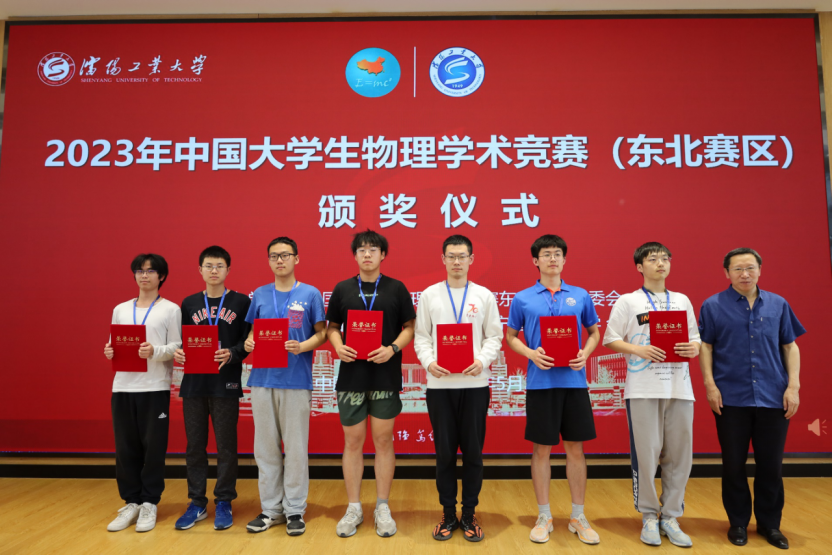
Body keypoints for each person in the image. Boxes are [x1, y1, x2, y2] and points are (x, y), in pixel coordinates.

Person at [699, 248, 804, 550]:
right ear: (727, 273)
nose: (744, 274)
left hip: (773, 396)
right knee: (733, 464)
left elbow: (790, 346)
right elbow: (706, 347)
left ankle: (770, 525)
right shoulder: (712, 305)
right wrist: (710, 385)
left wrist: (793, 386)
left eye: (750, 268)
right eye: (737, 269)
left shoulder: (778, 304)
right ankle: (738, 523)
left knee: (771, 465)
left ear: (760, 270)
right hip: (730, 398)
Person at [602, 242, 701, 547]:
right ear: (639, 267)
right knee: (646, 456)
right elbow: (610, 338)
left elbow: (696, 339)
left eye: (665, 258)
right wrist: (638, 349)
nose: (660, 263)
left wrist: (693, 348)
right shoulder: (628, 301)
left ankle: (670, 516)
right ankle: (648, 515)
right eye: (653, 259)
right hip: (643, 388)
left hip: (679, 388)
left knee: (679, 456)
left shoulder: (682, 300)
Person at [505, 234, 601, 546]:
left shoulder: (580, 295)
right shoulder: (522, 298)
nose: (552, 259)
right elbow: (511, 336)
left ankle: (578, 516)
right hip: (541, 384)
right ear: (536, 260)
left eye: (557, 254)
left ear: (564, 259)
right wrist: (531, 354)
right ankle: (544, 515)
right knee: (541, 450)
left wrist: (585, 354)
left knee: (576, 449)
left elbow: (594, 332)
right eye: (546, 254)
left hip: (574, 382)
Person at [326, 229, 416, 538]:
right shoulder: (342, 289)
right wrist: (338, 346)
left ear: (383, 255)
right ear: (355, 255)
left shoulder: (396, 288)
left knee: (383, 440)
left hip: (384, 375)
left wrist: (392, 348)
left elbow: (409, 327)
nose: (367, 254)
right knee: (352, 442)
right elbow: (332, 327)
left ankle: (382, 506)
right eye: (362, 249)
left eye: (373, 249)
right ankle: (354, 507)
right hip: (351, 377)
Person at [414, 235, 503, 542]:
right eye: (451, 256)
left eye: (462, 256)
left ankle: (469, 513)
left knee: (474, 453)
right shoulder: (429, 295)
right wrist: (429, 363)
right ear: (443, 259)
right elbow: (421, 336)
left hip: (475, 384)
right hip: (439, 385)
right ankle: (448, 513)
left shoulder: (484, 295)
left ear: (471, 259)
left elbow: (494, 336)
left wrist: (482, 360)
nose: (456, 261)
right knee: (444, 454)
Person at [243, 237, 327, 536]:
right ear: (268, 261)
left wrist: (302, 346)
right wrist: (249, 342)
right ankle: (270, 510)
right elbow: (252, 333)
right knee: (265, 449)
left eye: (285, 255)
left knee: (295, 449)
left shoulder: (310, 293)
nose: (280, 260)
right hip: (262, 380)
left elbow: (322, 333)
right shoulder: (260, 294)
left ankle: (294, 510)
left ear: (296, 258)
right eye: (274, 256)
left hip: (295, 380)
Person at [172, 246, 251, 531]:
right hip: (194, 384)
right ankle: (196, 502)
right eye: (208, 265)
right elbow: (181, 340)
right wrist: (179, 352)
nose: (214, 270)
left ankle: (224, 500)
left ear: (228, 270)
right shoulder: (189, 303)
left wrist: (233, 353)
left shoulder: (241, 302)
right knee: (195, 446)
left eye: (219, 266)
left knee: (226, 446)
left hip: (225, 383)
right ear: (200, 270)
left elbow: (248, 342)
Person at [103, 254, 181, 533]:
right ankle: (131, 502)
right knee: (125, 448)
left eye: (150, 271)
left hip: (154, 386)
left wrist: (155, 351)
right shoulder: (120, 309)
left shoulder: (170, 309)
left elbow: (177, 346)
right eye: (139, 270)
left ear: (162, 276)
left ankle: (149, 502)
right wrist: (109, 350)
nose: (144, 275)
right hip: (123, 387)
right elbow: (113, 343)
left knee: (154, 447)